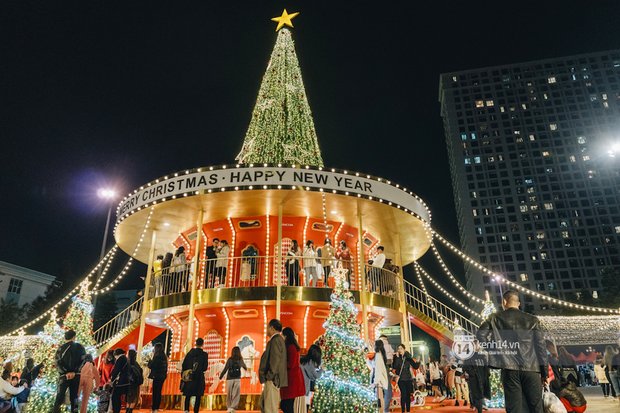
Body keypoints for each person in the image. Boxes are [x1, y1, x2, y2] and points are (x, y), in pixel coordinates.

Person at [476, 289, 548, 413]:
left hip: (509, 370)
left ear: (504, 301)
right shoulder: (533, 320)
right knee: (536, 406)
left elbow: (481, 334)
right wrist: (544, 373)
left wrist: (495, 350)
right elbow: (541, 347)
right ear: (518, 303)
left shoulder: (495, 318)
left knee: (514, 407)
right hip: (532, 369)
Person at [53, 329, 86, 413]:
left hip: (64, 376)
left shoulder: (61, 349)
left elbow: (57, 362)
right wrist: (75, 372)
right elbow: (83, 361)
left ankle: (56, 411)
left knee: (59, 397)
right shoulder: (80, 347)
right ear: (74, 337)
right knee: (74, 397)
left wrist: (65, 372)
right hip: (76, 376)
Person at [258, 319, 288, 413]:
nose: (266, 329)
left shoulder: (275, 341)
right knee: (263, 403)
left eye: (267, 327)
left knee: (270, 408)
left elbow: (275, 361)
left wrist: (270, 377)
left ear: (272, 328)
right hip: (273, 379)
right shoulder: (278, 340)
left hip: (273, 379)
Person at [280, 327, 305, 413]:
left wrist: (279, 363)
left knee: (286, 406)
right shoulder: (291, 346)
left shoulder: (291, 347)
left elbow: (291, 364)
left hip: (291, 381)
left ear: (285, 335)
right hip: (290, 380)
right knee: (286, 405)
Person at [181, 337, 209, 413]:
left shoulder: (189, 354)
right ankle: (195, 410)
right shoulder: (204, 355)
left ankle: (186, 410)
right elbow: (204, 368)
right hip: (198, 377)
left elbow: (184, 365)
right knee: (198, 396)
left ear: (195, 344)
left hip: (189, 377)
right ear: (202, 344)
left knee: (188, 395)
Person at [392, 344, 419, 413]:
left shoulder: (408, 357)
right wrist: (397, 358)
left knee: (408, 395)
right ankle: (403, 411)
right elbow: (395, 367)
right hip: (401, 379)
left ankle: (408, 410)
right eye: (398, 349)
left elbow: (415, 366)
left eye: (401, 348)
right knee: (403, 394)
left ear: (404, 349)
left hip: (408, 378)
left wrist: (418, 361)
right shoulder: (396, 357)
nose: (399, 350)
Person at [219, 346, 247, 413]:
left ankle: (228, 407)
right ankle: (233, 408)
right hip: (237, 378)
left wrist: (221, 376)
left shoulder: (230, 359)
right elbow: (245, 367)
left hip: (229, 378)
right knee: (236, 394)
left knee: (229, 393)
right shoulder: (240, 359)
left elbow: (225, 368)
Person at [463, 340, 486, 413]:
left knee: (479, 395)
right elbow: (466, 366)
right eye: (478, 344)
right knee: (476, 395)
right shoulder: (469, 356)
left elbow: (485, 366)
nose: (479, 346)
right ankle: (477, 408)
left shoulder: (481, 355)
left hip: (481, 377)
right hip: (474, 378)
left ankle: (479, 407)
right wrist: (473, 373)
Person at [367, 339, 388, 412]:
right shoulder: (378, 355)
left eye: (374, 345)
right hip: (377, 379)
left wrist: (376, 382)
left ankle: (380, 411)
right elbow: (372, 367)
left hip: (378, 380)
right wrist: (366, 359)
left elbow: (378, 369)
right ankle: (378, 411)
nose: (373, 346)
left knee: (378, 398)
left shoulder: (378, 355)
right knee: (377, 398)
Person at [300, 344, 323, 411]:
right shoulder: (310, 362)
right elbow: (315, 376)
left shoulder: (302, 358)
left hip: (297, 387)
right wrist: (322, 369)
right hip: (303, 389)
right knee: (303, 408)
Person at [147, 342, 168, 413]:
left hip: (156, 375)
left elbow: (152, 366)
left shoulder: (157, 356)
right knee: (159, 391)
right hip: (162, 375)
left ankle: (154, 407)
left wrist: (150, 361)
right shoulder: (164, 356)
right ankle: (157, 407)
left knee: (155, 391)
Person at [110, 348, 131, 413]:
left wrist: (112, 379)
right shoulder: (126, 359)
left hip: (120, 381)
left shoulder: (120, 359)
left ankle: (116, 411)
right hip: (126, 381)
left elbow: (116, 370)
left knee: (115, 397)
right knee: (117, 396)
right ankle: (117, 410)